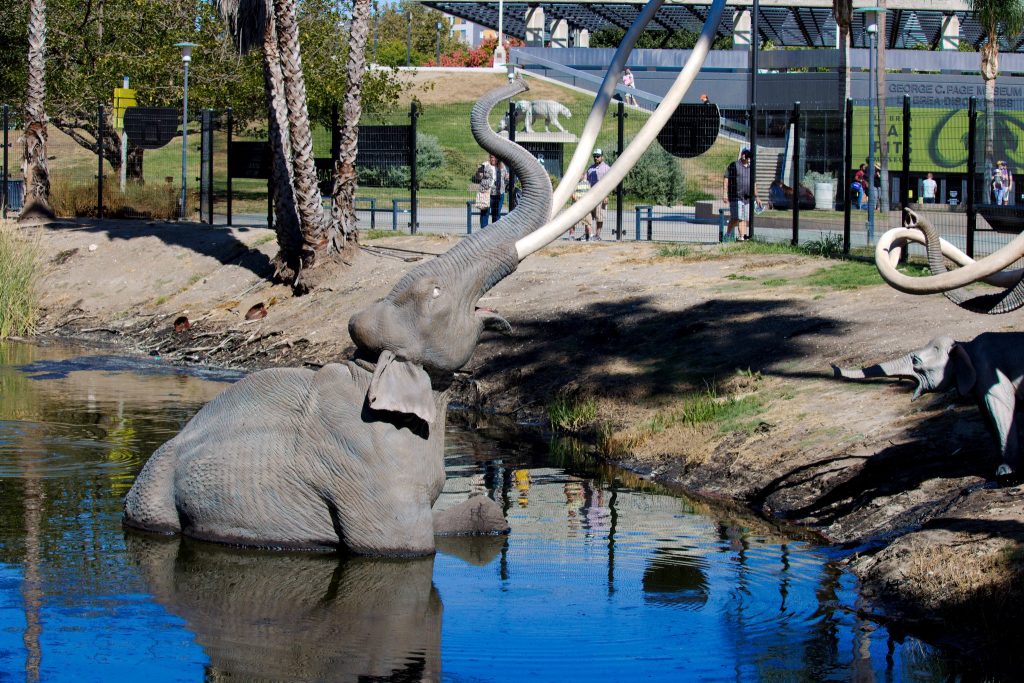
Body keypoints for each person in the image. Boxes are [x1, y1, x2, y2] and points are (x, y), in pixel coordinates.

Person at [723, 148, 759, 241]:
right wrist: (725, 193)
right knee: (737, 218)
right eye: (744, 154)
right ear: (742, 155)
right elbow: (726, 178)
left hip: (747, 198)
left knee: (743, 218)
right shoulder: (734, 165)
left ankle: (741, 237)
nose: (745, 156)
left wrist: (757, 197)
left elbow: (754, 183)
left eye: (747, 155)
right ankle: (731, 235)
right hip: (736, 197)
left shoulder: (751, 168)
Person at [586, 149, 611, 240]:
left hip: (601, 195)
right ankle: (589, 234)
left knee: (600, 216)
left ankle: (597, 235)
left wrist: (606, 195)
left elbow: (609, 183)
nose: (596, 158)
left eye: (598, 156)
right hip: (590, 195)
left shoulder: (606, 168)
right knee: (588, 216)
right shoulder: (590, 168)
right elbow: (586, 181)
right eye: (595, 156)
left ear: (602, 157)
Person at [480, 153, 508, 228]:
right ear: (489, 157)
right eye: (492, 157)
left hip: (499, 194)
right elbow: (478, 176)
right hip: (487, 193)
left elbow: (506, 178)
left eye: (495, 158)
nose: (493, 159)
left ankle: (494, 233)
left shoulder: (502, 167)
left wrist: (507, 178)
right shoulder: (485, 165)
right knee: (485, 214)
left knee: (496, 215)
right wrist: (479, 172)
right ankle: (483, 233)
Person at [569, 173, 592, 240]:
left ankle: (588, 235)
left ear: (583, 175)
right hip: (575, 205)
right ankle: (571, 235)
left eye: (581, 174)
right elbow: (572, 194)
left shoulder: (587, 183)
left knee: (588, 221)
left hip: (585, 206)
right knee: (572, 221)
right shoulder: (574, 183)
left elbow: (590, 193)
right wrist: (576, 199)